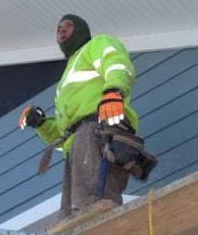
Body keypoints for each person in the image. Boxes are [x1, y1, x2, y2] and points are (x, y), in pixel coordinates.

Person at [19, 14, 156, 218]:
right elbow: (62, 138)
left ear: (82, 30)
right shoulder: (64, 82)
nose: (62, 30)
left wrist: (114, 91)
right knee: (71, 215)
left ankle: (101, 233)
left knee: (92, 204)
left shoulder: (97, 44)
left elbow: (117, 65)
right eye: (59, 28)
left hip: (97, 129)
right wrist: (41, 124)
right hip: (76, 144)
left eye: (68, 26)